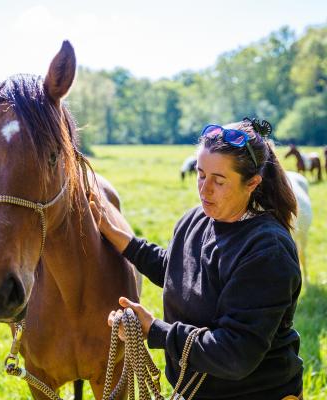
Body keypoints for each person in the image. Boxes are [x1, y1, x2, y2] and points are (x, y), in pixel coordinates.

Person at [89, 117, 303, 400]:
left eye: (219, 181)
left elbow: (234, 353)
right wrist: (115, 234)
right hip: (194, 391)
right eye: (201, 175)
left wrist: (154, 331)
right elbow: (177, 270)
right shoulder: (196, 219)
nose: (204, 190)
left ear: (252, 183)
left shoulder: (267, 251)